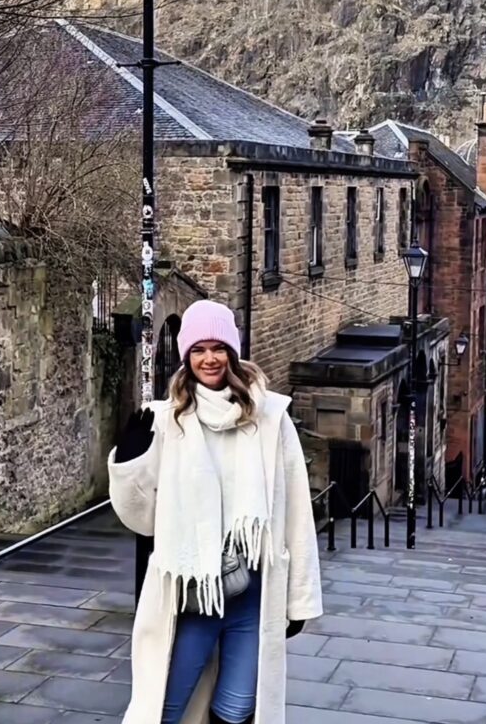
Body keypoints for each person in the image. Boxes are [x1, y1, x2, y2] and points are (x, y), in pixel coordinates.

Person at [109, 299, 323, 724]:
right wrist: (129, 461)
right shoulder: (166, 420)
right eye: (199, 349)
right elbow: (142, 517)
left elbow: (298, 511)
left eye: (219, 347)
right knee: (164, 708)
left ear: (233, 351)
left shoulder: (270, 418)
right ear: (187, 356)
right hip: (193, 595)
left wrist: (299, 599)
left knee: (239, 708)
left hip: (252, 593)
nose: (210, 358)